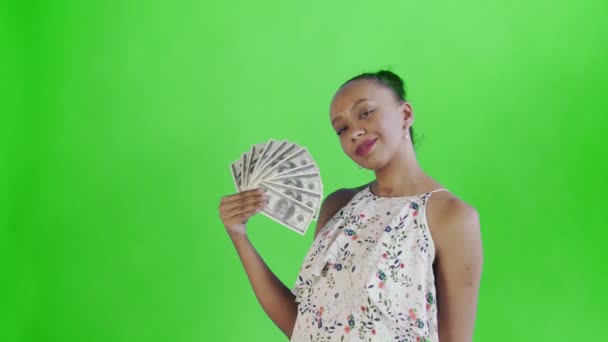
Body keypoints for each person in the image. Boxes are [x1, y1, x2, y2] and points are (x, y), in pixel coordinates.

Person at [218, 70, 483, 341]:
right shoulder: (338, 206)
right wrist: (239, 236)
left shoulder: (452, 217)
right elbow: (301, 325)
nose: (354, 132)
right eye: (341, 129)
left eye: (365, 112)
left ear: (405, 114)